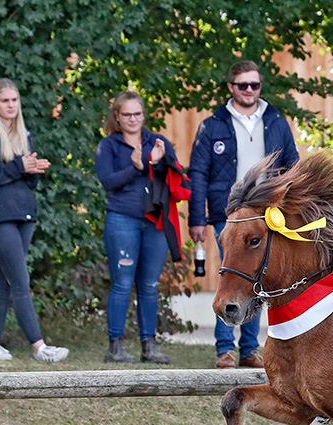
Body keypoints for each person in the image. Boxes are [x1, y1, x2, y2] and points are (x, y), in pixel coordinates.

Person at [189, 60, 300, 369]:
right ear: (231, 87)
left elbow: (293, 166)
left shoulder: (275, 121)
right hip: (228, 215)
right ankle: (224, 349)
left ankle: (249, 349)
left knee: (257, 278)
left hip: (266, 217)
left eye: (255, 85)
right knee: (231, 275)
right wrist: (197, 218)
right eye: (243, 85)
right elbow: (197, 173)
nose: (249, 90)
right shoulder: (212, 126)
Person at [0, 78, 69, 363]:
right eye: (4, 100)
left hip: (24, 213)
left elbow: (28, 183)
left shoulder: (24, 133)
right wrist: (18, 166)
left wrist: (32, 171)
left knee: (6, 279)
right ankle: (39, 347)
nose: (10, 105)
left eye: (14, 100)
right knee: (20, 279)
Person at [95, 90, 177, 364]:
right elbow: (107, 181)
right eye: (126, 114)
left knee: (150, 285)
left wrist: (160, 161)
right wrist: (136, 167)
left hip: (154, 221)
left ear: (144, 115)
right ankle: (115, 347)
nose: (132, 119)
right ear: (117, 117)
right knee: (122, 284)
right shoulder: (109, 145)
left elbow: (176, 174)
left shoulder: (157, 141)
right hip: (122, 219)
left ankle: (149, 346)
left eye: (137, 114)